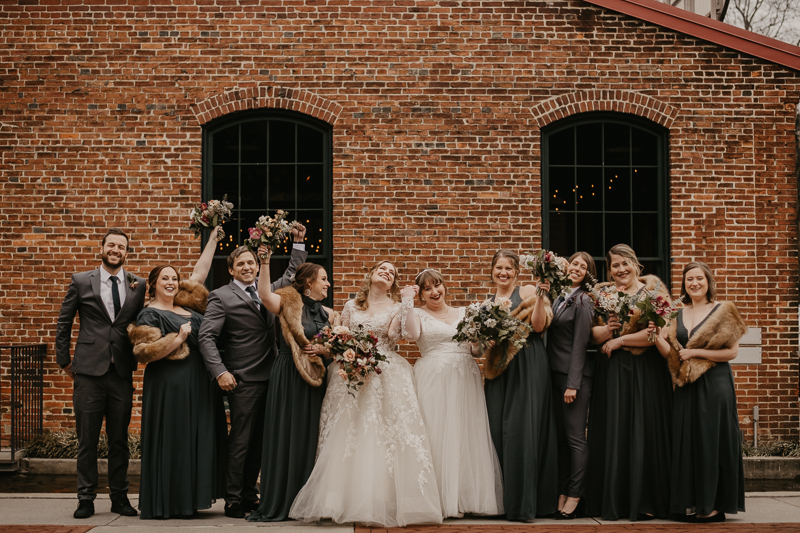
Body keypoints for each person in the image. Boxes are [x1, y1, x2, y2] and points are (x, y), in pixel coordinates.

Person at [290, 260, 443, 527]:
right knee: (348, 434)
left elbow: (401, 335)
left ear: (393, 283)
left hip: (386, 373)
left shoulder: (397, 307)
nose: (387, 272)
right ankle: (338, 500)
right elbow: (342, 338)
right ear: (371, 274)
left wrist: (407, 302)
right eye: (382, 268)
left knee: (384, 436)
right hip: (350, 373)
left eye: (392, 272)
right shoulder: (351, 306)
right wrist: (326, 349)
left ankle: (385, 501)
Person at [198, 224, 307, 519]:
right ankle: (232, 498)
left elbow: (294, 273)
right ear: (232, 270)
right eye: (241, 263)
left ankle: (249, 494)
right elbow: (206, 337)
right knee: (241, 441)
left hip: (272, 376)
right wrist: (220, 371)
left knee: (260, 441)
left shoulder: (268, 290)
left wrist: (298, 242)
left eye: (252, 262)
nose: (248, 267)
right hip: (242, 379)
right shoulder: (221, 296)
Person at [126, 228, 226, 519]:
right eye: (164, 279)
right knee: (177, 438)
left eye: (173, 278)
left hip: (199, 381)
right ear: (153, 285)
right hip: (170, 384)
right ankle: (171, 501)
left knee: (197, 436)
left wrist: (212, 241)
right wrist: (177, 340)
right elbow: (145, 353)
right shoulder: (150, 313)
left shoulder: (186, 305)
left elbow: (200, 272)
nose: (170, 282)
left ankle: (192, 498)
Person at [398, 269, 503, 519]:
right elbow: (411, 335)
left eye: (438, 285)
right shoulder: (419, 313)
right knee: (436, 432)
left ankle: (466, 497)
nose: (435, 292)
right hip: (433, 377)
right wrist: (407, 302)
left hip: (465, 376)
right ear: (421, 294)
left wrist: (481, 344)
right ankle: (439, 500)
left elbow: (475, 350)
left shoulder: (466, 312)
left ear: (445, 286)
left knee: (465, 433)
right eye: (427, 289)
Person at [56, 228, 146, 519]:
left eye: (121, 246)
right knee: (87, 440)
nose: (115, 249)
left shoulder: (138, 284)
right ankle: (85, 498)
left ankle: (120, 497)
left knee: (119, 439)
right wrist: (64, 362)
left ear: (127, 252)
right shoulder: (82, 280)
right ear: (102, 248)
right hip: (88, 373)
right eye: (111, 245)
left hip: (120, 373)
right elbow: (64, 321)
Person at [247, 246, 339, 522]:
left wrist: (324, 351)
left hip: (316, 379)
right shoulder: (286, 300)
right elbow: (263, 295)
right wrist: (265, 262)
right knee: (287, 433)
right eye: (324, 279)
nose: (328, 284)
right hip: (288, 375)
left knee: (311, 436)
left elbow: (336, 350)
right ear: (309, 282)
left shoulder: (331, 314)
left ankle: (309, 500)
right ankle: (282, 499)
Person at [651, 261, 747, 523]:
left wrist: (695, 352)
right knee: (687, 441)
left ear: (708, 282)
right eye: (689, 279)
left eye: (699, 279)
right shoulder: (676, 314)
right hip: (686, 385)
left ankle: (714, 506)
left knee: (711, 440)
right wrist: (657, 337)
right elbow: (671, 354)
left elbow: (731, 352)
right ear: (684, 284)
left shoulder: (723, 310)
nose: (694, 283)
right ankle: (690, 502)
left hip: (715, 384)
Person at [584, 244, 673, 521]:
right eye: (614, 265)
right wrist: (609, 329)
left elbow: (658, 334)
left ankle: (645, 500)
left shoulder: (654, 293)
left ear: (636, 264)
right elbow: (592, 337)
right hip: (612, 370)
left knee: (642, 430)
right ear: (609, 270)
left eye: (625, 263)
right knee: (614, 430)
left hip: (646, 370)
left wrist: (620, 340)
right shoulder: (602, 295)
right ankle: (613, 500)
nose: (621, 269)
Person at [482, 250, 558, 521]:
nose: (503, 273)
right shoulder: (486, 303)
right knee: (495, 431)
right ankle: (501, 503)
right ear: (492, 270)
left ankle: (524, 505)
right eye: (498, 268)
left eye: (508, 268)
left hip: (527, 364)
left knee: (521, 431)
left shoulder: (527, 290)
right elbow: (479, 347)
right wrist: (485, 342)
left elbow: (539, 327)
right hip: (499, 371)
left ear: (516, 272)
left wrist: (540, 297)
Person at [546, 252, 597, 519]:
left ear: (588, 273)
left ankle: (576, 497)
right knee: (562, 441)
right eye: (574, 263)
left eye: (583, 266)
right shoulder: (558, 297)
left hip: (573, 379)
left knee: (576, 440)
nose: (576, 268)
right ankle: (562, 493)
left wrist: (573, 384)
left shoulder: (584, 300)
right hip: (554, 375)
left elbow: (581, 344)